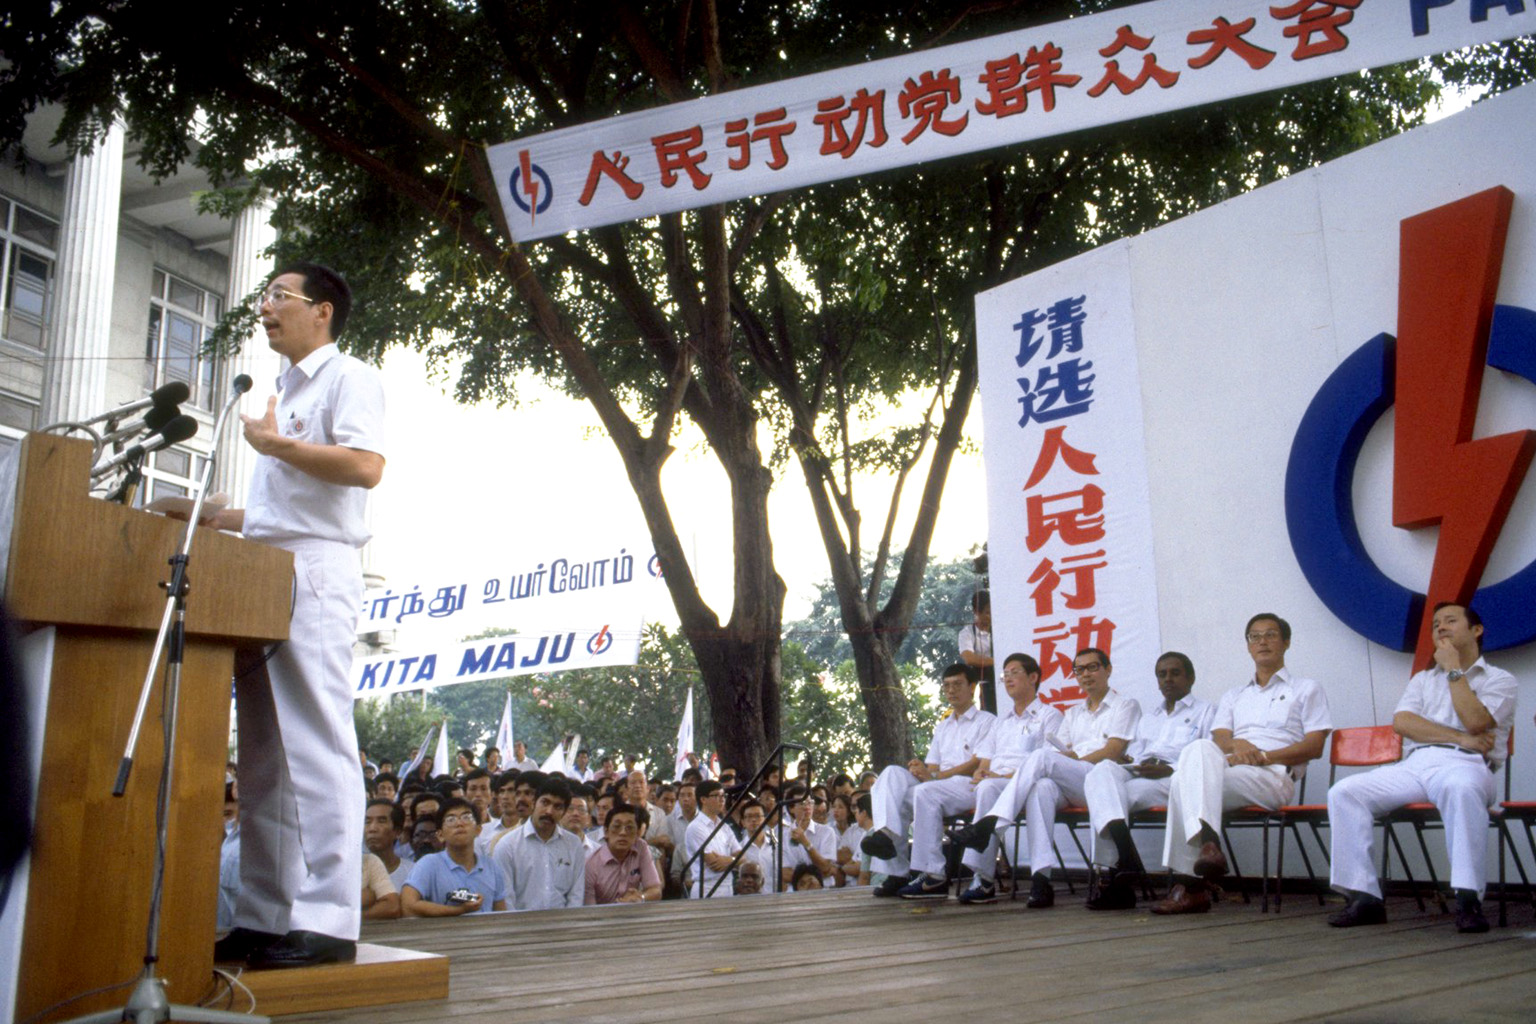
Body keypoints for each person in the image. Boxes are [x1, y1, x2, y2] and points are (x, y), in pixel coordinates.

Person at [211, 262, 385, 970]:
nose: (266, 308)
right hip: (260, 568)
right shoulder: (278, 391)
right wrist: (208, 516)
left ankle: (328, 917)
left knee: (315, 740)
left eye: (279, 296)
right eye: (266, 297)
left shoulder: (350, 378)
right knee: (261, 754)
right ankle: (264, 911)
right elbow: (281, 511)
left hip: (316, 571)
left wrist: (278, 444)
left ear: (321, 311)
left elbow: (367, 467)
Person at [1327, 602, 1516, 933]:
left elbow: (1476, 720)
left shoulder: (1500, 679)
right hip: (1416, 763)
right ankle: (1364, 896)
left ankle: (1468, 899)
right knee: (1345, 792)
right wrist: (1460, 736)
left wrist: (1455, 670)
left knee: (1461, 789)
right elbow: (1402, 723)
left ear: (1476, 630)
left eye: (1450, 621)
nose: (1440, 627)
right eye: (1435, 624)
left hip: (1467, 764)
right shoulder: (1423, 679)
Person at [1152, 613, 1331, 914]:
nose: (1262, 641)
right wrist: (1239, 746)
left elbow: (1315, 747)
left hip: (1273, 777)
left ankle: (1191, 885)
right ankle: (1209, 847)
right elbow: (1221, 739)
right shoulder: (1235, 695)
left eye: (1270, 635)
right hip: (1233, 771)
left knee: (1183, 784)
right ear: (1248, 646)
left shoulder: (1307, 688)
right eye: (1254, 636)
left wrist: (1263, 756)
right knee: (1196, 751)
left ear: (1286, 642)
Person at [953, 648, 1138, 908]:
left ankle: (990, 822)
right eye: (1079, 669)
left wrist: (1065, 762)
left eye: (1092, 667)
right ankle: (1041, 879)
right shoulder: (1073, 713)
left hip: (1103, 780)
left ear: (1108, 670)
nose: (1085, 674)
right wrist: (1064, 761)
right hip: (1074, 781)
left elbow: (1113, 750)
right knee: (1041, 787)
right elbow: (1062, 752)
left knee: (1042, 758)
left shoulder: (1125, 705)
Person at [1081, 651, 1215, 910]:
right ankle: (1124, 860)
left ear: (1191, 677)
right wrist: (1132, 762)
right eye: (1162, 674)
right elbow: (1139, 753)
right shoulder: (1150, 718)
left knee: (1106, 800)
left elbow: (1208, 757)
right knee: (1100, 773)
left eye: (1175, 673)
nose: (1167, 679)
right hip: (1142, 775)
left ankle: (1120, 882)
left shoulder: (1206, 711)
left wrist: (1170, 768)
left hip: (1177, 781)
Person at [861, 664, 995, 897]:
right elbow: (933, 767)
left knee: (925, 793)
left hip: (968, 786)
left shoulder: (987, 721)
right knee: (891, 776)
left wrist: (935, 776)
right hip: (940, 786)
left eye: (957, 684)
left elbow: (978, 762)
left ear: (972, 687)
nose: (951, 690)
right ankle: (893, 863)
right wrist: (921, 771)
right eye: (947, 686)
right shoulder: (942, 726)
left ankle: (934, 875)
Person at [952, 653, 1063, 904]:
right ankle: (983, 879)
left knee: (1041, 788)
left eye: (1014, 672)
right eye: (1005, 675)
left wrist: (1005, 776)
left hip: (1033, 782)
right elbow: (986, 760)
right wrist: (981, 771)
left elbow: (1048, 762)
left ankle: (1040, 878)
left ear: (1033, 677)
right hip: (1000, 782)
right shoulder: (1000, 722)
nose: (1008, 679)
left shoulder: (1050, 715)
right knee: (987, 786)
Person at [490, 774, 585, 910]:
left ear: (564, 812)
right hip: (520, 927)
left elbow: (576, 895)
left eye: (557, 807)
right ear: (534, 803)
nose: (549, 811)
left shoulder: (574, 845)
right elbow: (506, 899)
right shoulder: (507, 845)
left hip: (563, 926)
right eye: (545, 802)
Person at [401, 798, 506, 916]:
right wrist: (460, 910)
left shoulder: (491, 867)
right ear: (440, 835)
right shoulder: (429, 864)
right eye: (451, 819)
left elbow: (500, 914)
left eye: (466, 817)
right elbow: (408, 905)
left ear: (478, 830)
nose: (459, 823)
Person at [584, 803, 662, 905]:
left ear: (637, 833)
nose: (623, 833)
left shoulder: (641, 847)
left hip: (633, 914)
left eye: (629, 828)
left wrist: (640, 897)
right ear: (606, 832)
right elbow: (589, 910)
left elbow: (655, 890)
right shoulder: (591, 864)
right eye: (617, 827)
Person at [684, 780, 742, 897]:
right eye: (716, 796)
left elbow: (743, 857)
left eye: (723, 796)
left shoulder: (724, 827)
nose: (722, 800)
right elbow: (714, 864)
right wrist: (735, 860)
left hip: (727, 886)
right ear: (703, 799)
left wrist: (730, 860)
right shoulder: (695, 827)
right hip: (706, 889)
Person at [959, 590, 996, 712]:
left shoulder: (999, 630)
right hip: (983, 684)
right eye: (987, 613)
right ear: (976, 612)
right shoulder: (967, 633)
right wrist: (997, 661)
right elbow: (969, 658)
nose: (990, 616)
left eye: (992, 612)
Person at [364, 797, 413, 891]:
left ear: (397, 831)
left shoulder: (412, 872)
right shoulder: (350, 871)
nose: (372, 828)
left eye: (381, 821)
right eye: (367, 822)